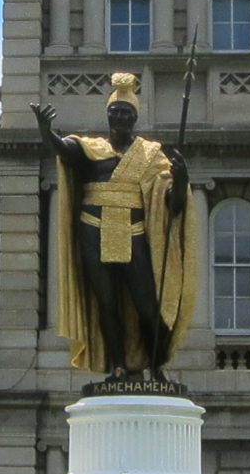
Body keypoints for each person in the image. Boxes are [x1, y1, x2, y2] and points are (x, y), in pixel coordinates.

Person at [32, 72, 195, 380]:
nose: (120, 116)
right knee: (106, 302)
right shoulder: (91, 148)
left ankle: (157, 364)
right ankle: (118, 364)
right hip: (92, 228)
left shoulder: (150, 154)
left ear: (134, 118)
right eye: (115, 112)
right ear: (108, 116)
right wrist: (46, 131)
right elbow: (64, 150)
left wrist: (182, 176)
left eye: (126, 113)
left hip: (133, 233)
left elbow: (173, 205)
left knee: (147, 304)